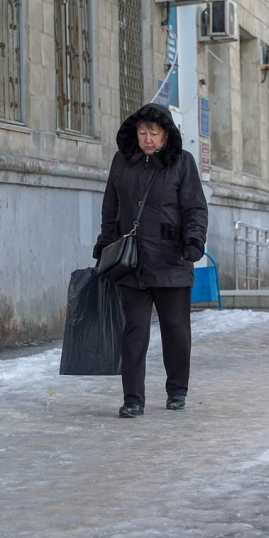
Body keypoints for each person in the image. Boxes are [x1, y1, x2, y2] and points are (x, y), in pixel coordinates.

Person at [93, 103, 208, 419]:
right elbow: (110, 208)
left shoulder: (182, 163)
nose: (147, 139)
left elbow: (195, 208)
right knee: (134, 331)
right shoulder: (123, 161)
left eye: (153, 133)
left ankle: (177, 391)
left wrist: (194, 241)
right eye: (142, 132)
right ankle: (133, 399)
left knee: (175, 329)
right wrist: (104, 245)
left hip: (171, 259)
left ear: (166, 135)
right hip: (132, 262)